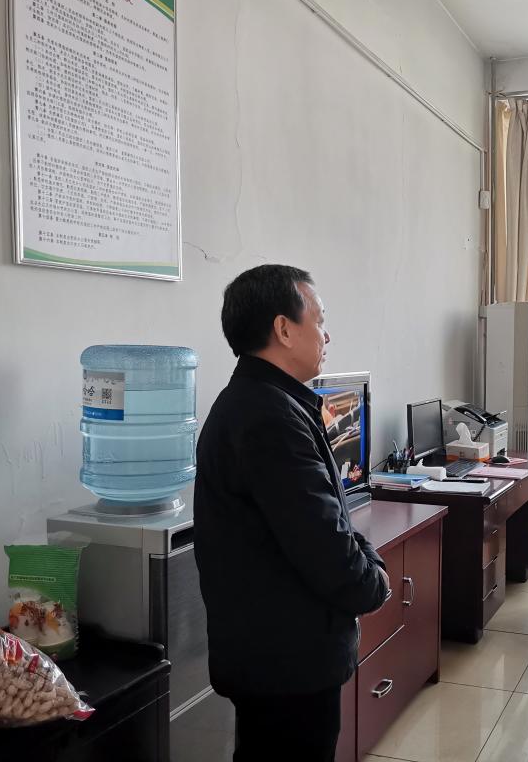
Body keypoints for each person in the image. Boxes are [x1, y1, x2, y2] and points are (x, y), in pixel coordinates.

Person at [195, 264, 390, 761]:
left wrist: (362, 557)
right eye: (319, 320)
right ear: (283, 329)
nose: (327, 334)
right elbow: (323, 544)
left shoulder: (263, 403)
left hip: (275, 655)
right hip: (286, 663)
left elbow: (327, 516)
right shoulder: (268, 417)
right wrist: (376, 582)